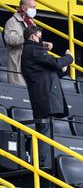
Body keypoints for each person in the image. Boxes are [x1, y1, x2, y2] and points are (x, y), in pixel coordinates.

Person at [21, 26, 73, 166]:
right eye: (39, 37)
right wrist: (69, 58)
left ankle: (41, 162)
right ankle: (41, 163)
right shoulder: (33, 49)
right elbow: (54, 63)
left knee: (44, 129)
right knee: (44, 130)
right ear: (33, 37)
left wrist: (62, 69)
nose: (41, 40)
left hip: (41, 96)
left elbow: (49, 71)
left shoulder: (33, 51)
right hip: (44, 97)